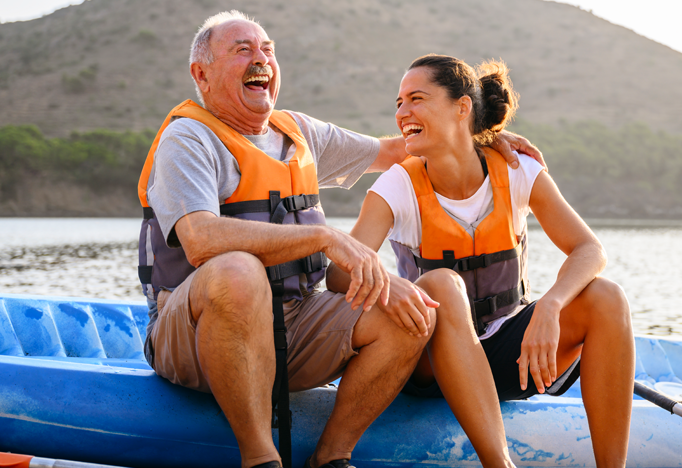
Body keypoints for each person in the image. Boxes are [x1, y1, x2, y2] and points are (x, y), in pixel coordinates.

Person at [135, 11, 543, 468]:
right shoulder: (187, 139)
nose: (261, 59)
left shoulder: (300, 133)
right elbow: (200, 239)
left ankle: (331, 456)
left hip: (293, 324)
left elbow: (399, 150)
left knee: (410, 313)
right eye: (242, 50)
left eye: (267, 49)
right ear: (201, 74)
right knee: (237, 270)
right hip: (193, 334)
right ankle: (260, 458)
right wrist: (322, 238)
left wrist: (478, 137)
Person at [326, 54, 635, 467]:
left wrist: (551, 305)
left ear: (462, 107)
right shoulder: (397, 185)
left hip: (511, 357)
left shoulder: (516, 169)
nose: (403, 113)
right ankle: (498, 462)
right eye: (398, 103)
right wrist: (393, 287)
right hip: (428, 365)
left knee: (607, 298)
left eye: (416, 99)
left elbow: (589, 249)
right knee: (441, 285)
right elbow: (337, 274)